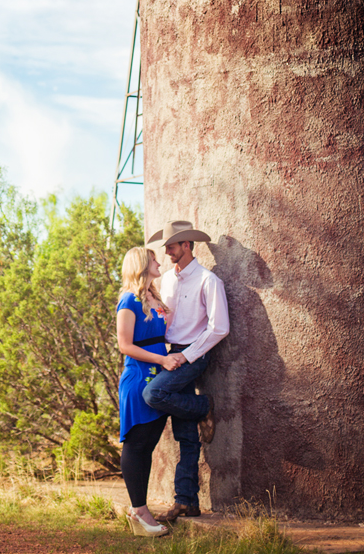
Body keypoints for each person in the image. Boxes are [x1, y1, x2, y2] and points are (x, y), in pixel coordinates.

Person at [142, 220, 230, 522]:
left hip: (194, 354)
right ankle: (187, 501)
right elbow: (165, 320)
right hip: (170, 353)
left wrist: (187, 356)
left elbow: (219, 327)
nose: (166, 251)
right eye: (165, 246)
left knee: (154, 393)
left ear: (187, 246)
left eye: (172, 246)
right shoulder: (166, 280)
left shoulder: (208, 281)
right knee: (185, 433)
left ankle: (203, 405)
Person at [116, 246, 176, 537]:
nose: (159, 261)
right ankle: (140, 510)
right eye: (154, 259)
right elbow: (125, 345)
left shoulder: (154, 296)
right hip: (140, 379)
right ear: (141, 264)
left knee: (148, 445)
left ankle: (137, 510)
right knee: (136, 444)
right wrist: (163, 359)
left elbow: (161, 332)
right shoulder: (128, 300)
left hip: (158, 378)